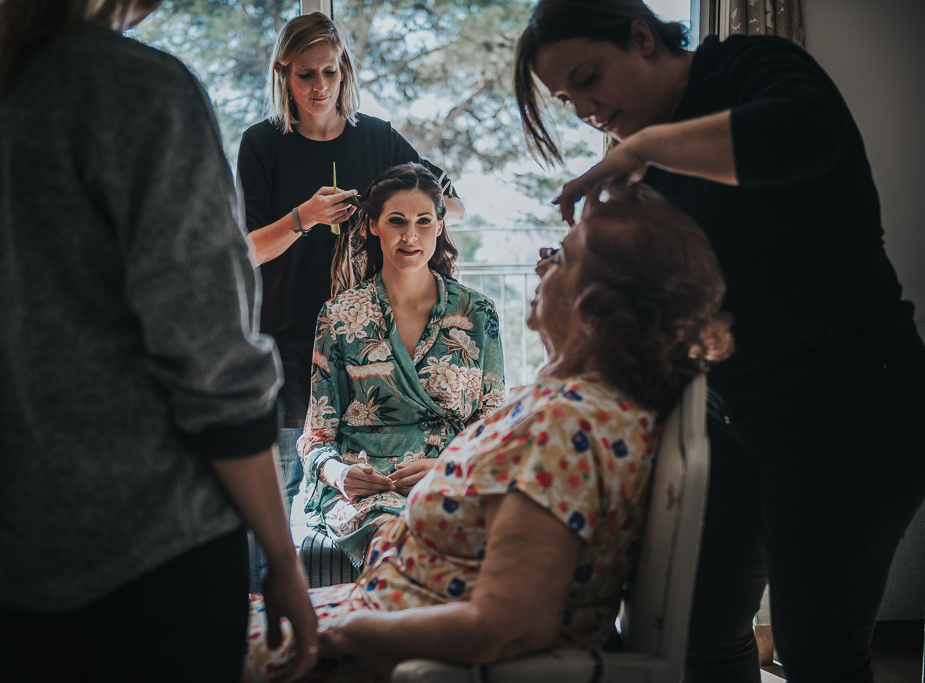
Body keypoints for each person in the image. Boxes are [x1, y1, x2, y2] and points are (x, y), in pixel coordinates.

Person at [0, 1, 315, 681]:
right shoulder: (144, 90)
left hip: (2, 547)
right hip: (151, 555)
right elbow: (216, 365)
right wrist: (282, 557)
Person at [512, 2, 925, 682]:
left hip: (852, 411)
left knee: (818, 655)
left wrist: (643, 150)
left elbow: (804, 135)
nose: (585, 109)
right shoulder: (644, 165)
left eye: (589, 79)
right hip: (734, 418)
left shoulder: (752, 67)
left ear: (642, 38)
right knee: (693, 633)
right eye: (567, 99)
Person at [242, 183, 733, 682]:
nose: (541, 262)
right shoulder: (557, 403)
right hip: (381, 602)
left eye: (561, 258)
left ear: (598, 300)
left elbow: (507, 625)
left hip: (377, 638)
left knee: (195, 646)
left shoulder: (568, 428)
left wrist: (340, 638)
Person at [236, 11, 464, 591]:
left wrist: (404, 214)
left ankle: (355, 612)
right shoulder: (262, 145)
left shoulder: (378, 138)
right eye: (305, 74)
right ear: (282, 75)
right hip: (286, 347)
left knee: (359, 494)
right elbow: (243, 252)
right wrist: (302, 218)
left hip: (369, 350)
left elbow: (451, 207)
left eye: (330, 73)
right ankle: (264, 624)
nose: (319, 87)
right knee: (276, 500)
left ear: (345, 73)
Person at [298, 163, 505, 567]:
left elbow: (492, 423)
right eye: (396, 221)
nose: (410, 235)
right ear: (373, 226)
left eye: (424, 221)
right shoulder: (340, 315)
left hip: (454, 477)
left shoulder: (477, 311)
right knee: (395, 537)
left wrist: (450, 463)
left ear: (440, 225)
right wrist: (339, 474)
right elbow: (315, 436)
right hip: (365, 491)